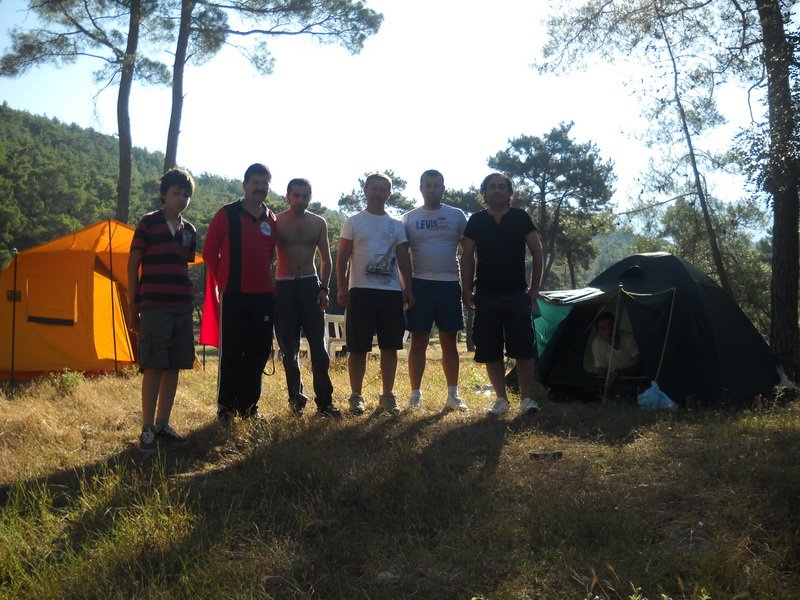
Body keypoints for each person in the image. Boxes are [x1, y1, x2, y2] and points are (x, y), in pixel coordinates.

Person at [461, 172, 544, 416]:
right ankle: (500, 400)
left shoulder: (520, 217)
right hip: (485, 295)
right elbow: (467, 257)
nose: (497, 190)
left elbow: (537, 252)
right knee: (490, 348)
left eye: (501, 187)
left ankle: (527, 399)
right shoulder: (476, 220)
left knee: (523, 348)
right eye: (492, 187)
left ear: (509, 193)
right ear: (484, 192)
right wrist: (466, 289)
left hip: (517, 293)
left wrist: (535, 288)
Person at [128, 167, 198, 452]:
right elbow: (133, 266)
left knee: (174, 365)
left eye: (186, 194)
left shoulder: (189, 231)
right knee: (155, 365)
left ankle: (163, 424)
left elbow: (182, 266)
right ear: (163, 194)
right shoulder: (149, 223)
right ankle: (147, 428)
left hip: (182, 305)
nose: (181, 198)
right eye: (176, 193)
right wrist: (133, 306)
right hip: (154, 305)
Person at [203, 163, 277, 421]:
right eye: (255, 182)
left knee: (259, 350)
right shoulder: (227, 214)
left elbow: (272, 256)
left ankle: (249, 407)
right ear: (245, 185)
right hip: (234, 294)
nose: (260, 187)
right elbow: (209, 253)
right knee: (232, 351)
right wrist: (224, 279)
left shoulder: (271, 219)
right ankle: (226, 407)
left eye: (265, 183)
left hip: (264, 296)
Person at [336, 172, 415, 415]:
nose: (378, 193)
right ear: (366, 190)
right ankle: (356, 396)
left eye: (383, 189)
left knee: (390, 346)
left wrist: (408, 288)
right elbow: (342, 258)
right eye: (374, 188)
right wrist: (341, 287)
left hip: (390, 293)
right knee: (357, 347)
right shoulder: (353, 222)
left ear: (389, 194)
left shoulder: (397, 225)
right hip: (360, 291)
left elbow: (403, 258)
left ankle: (387, 395)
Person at [401, 169, 468, 411]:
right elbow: (402, 257)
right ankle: (415, 396)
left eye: (436, 185)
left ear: (443, 188)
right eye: (428, 185)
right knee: (418, 339)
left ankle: (453, 395)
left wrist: (468, 287)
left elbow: (469, 253)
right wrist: (407, 287)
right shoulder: (408, 218)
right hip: (420, 284)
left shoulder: (457, 216)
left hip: (449, 284)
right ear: (421, 188)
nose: (432, 189)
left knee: (449, 340)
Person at [275, 178, 341, 417]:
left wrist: (324, 289)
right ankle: (296, 402)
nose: (300, 200)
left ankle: (324, 402)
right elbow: (265, 257)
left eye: (305, 195)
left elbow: (326, 259)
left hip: (310, 285)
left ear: (310, 197)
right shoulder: (276, 221)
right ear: (287, 196)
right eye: (296, 195)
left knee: (319, 348)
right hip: (283, 286)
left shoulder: (318, 222)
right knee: (289, 349)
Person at [591, 311, 642, 391]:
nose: (608, 330)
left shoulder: (629, 339)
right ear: (598, 331)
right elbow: (602, 370)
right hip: (615, 383)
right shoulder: (597, 343)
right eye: (603, 328)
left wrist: (618, 372)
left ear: (616, 326)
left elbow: (639, 366)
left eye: (611, 326)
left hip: (634, 381)